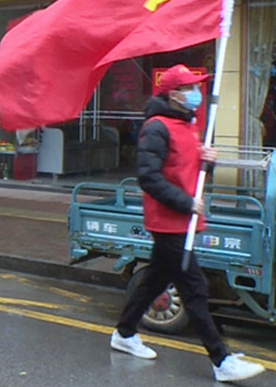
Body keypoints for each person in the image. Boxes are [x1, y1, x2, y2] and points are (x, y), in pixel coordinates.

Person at [110, 64, 264, 382]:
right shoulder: (157, 127)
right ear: (176, 94)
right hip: (169, 222)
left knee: (154, 281)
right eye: (191, 88)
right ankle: (221, 360)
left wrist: (208, 159)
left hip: (183, 220)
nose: (197, 94)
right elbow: (148, 177)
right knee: (195, 289)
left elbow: (188, 171)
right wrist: (186, 203)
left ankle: (124, 333)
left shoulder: (188, 125)